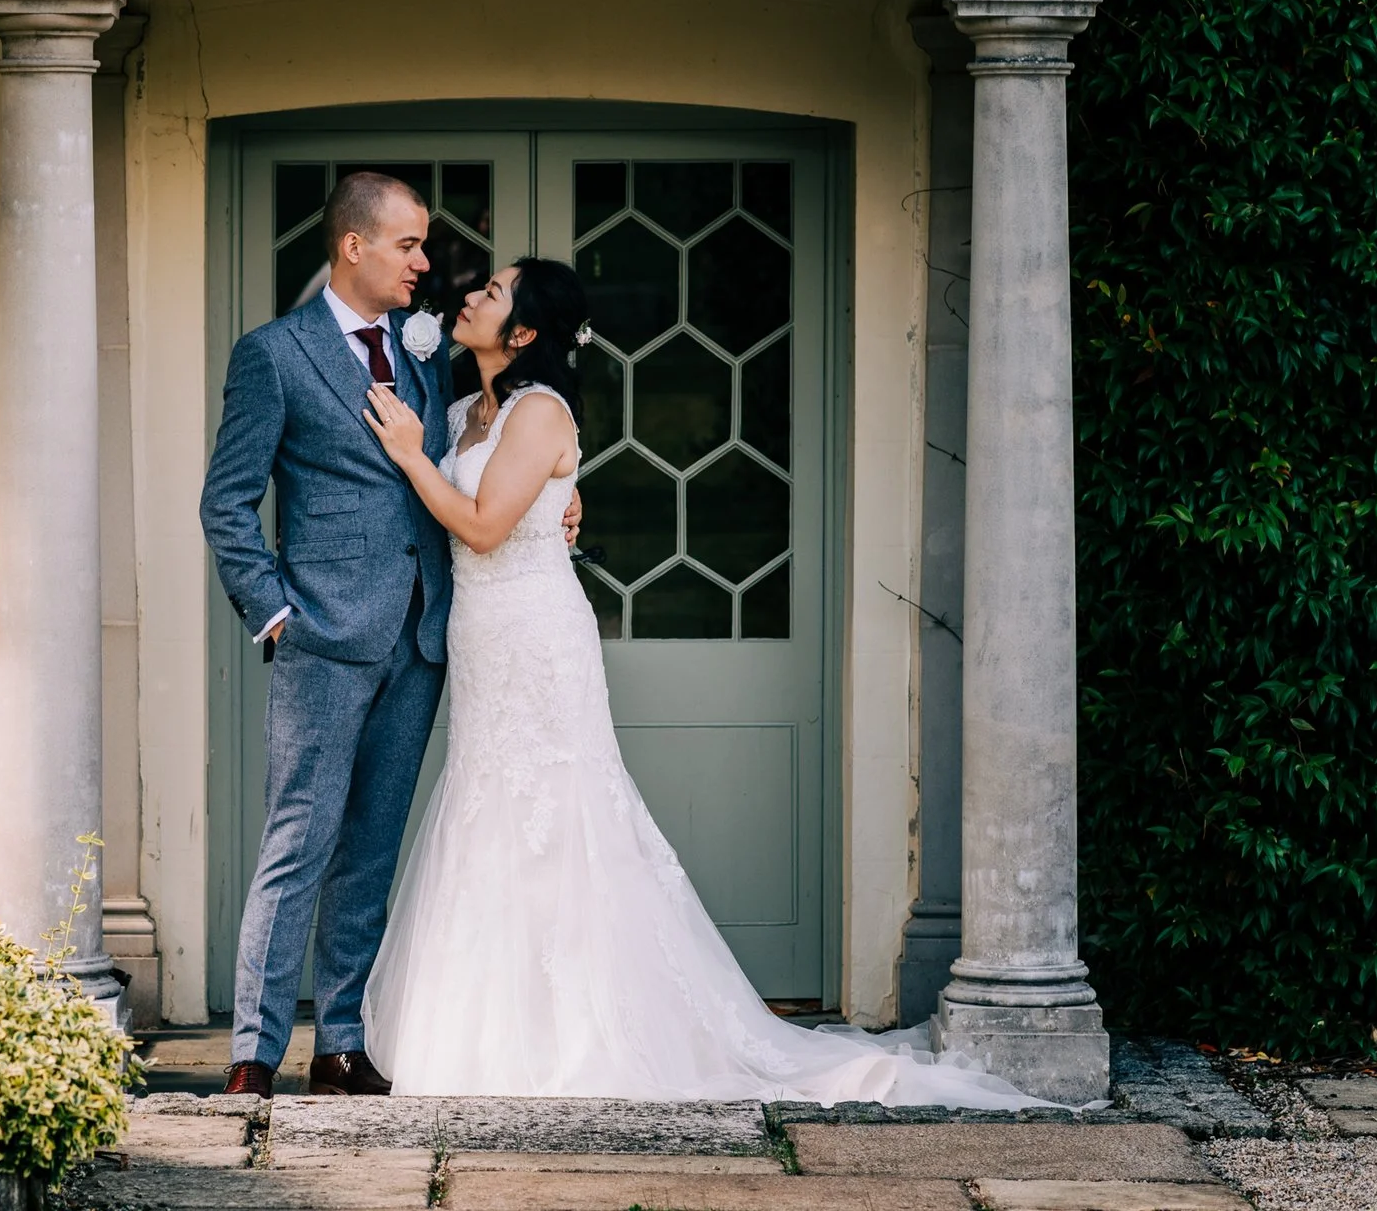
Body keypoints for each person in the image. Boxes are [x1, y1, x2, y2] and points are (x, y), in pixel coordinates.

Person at [355, 256, 1048, 1106]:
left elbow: (486, 525)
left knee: (558, 811)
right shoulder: (466, 409)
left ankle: (580, 1030)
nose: (470, 296)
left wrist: (407, 454)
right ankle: (494, 1021)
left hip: (537, 636)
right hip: (481, 638)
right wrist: (538, 497)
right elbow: (518, 508)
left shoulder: (539, 410)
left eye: (492, 292)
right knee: (486, 802)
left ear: (525, 332)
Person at [198, 173, 575, 1099]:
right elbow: (228, 501)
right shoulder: (274, 355)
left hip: (424, 636)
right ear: (354, 246)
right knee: (300, 841)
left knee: (372, 845)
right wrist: (275, 612)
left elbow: (490, 442)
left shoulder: (424, 354)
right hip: (322, 635)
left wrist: (565, 499)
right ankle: (254, 1052)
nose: (426, 264)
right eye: (409, 246)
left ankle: (340, 1041)